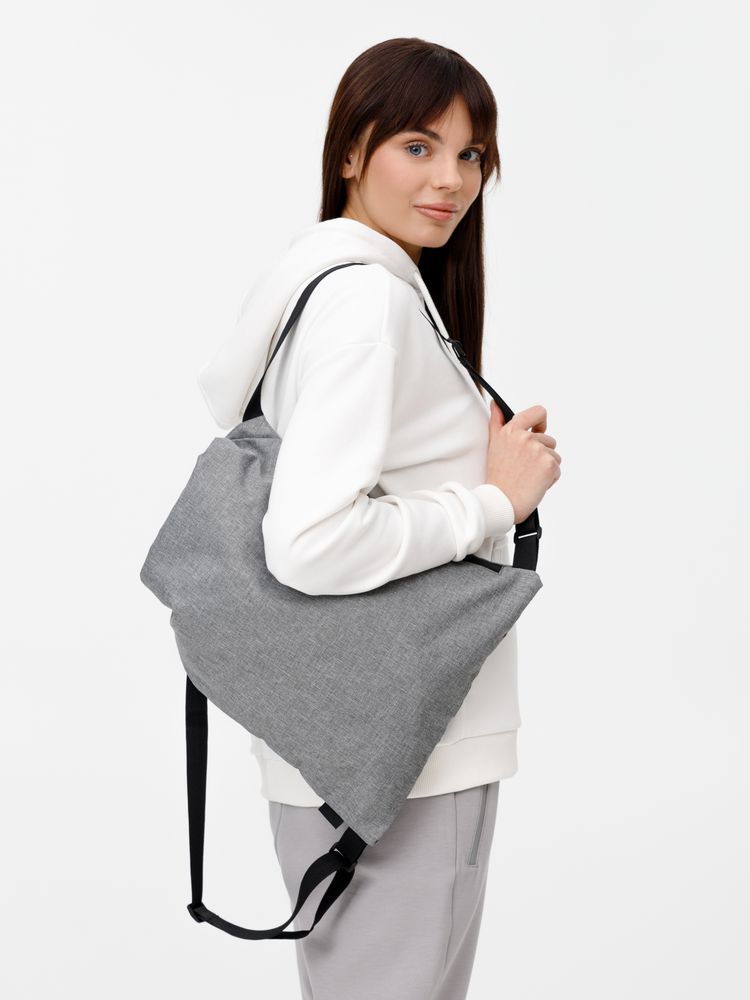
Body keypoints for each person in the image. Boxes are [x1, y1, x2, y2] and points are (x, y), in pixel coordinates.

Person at [198, 35, 561, 1000]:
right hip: (406, 754)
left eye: (471, 154)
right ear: (352, 151)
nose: (452, 180)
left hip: (344, 742)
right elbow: (311, 543)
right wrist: (495, 500)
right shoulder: (368, 304)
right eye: (418, 145)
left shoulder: (335, 288)